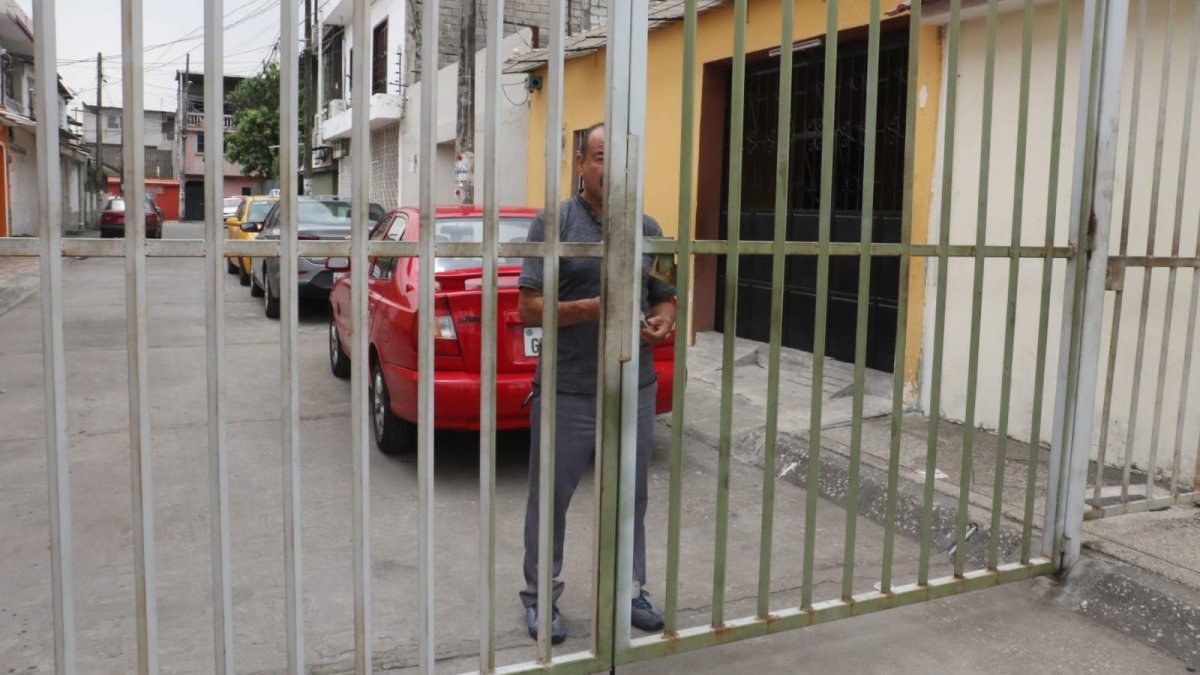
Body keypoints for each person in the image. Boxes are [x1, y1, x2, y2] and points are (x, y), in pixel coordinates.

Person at [517, 122, 677, 644]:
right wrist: (593, 309)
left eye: (623, 159)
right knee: (551, 499)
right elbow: (529, 308)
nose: (614, 169)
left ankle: (630, 590)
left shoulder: (647, 225)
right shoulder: (554, 222)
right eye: (603, 157)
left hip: (634, 386)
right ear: (582, 164)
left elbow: (665, 293)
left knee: (631, 497)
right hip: (568, 388)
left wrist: (664, 319)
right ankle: (540, 597)